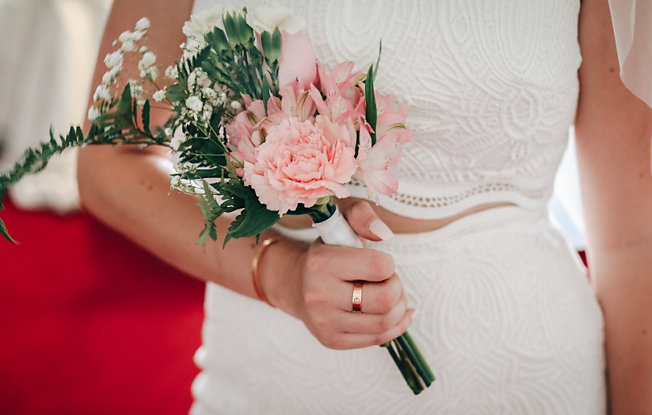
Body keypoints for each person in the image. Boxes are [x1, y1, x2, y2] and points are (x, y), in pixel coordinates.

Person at [77, 0, 652, 413]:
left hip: (526, 381)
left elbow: (634, 241)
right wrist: (279, 272)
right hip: (279, 381)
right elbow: (110, 160)